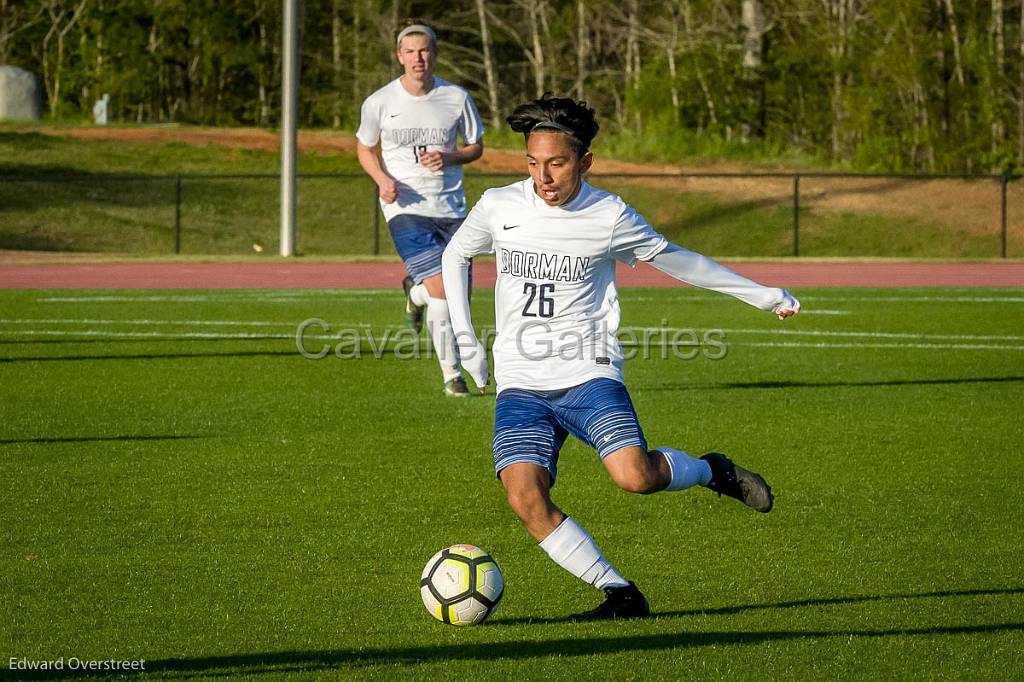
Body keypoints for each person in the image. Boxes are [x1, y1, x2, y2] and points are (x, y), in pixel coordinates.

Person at [441, 94, 800, 619]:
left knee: (636, 477)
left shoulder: (609, 216)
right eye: (533, 163)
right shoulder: (500, 206)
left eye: (557, 164)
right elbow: (456, 254)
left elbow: (680, 261)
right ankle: (620, 594)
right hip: (519, 383)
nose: (543, 177)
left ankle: (710, 471)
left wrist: (762, 293)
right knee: (525, 499)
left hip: (588, 372)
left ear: (584, 162)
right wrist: (466, 339)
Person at [356, 22, 484, 397]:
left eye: (424, 50)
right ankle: (452, 376)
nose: (418, 58)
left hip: (452, 207)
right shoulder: (380, 102)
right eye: (410, 51)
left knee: (454, 296)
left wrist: (450, 156)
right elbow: (365, 147)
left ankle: (415, 295)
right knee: (444, 290)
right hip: (404, 208)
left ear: (435, 53)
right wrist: (381, 179)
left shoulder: (456, 97)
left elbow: (476, 146)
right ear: (399, 56)